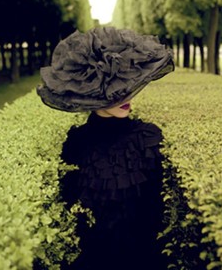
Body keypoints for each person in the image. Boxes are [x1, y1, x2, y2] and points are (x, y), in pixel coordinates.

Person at [37, 26, 174, 270]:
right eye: (112, 89)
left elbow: (157, 215)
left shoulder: (148, 138)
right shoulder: (76, 144)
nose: (126, 96)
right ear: (91, 92)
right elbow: (72, 211)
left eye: (126, 85)